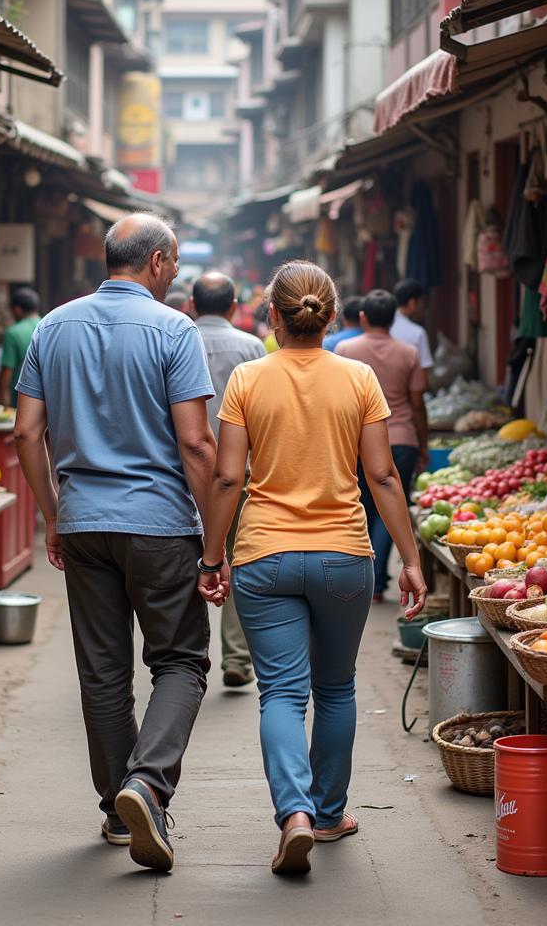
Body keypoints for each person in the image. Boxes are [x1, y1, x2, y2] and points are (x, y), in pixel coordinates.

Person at [195, 260, 427, 876]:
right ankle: (327, 815)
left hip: (264, 556)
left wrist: (211, 556)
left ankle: (293, 814)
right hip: (344, 556)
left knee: (281, 694)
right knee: (336, 688)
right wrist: (410, 558)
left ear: (272, 316)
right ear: (332, 315)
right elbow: (381, 475)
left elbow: (226, 476)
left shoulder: (247, 378)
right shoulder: (360, 379)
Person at [13, 213, 216, 874]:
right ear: (156, 262)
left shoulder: (53, 325)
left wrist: (51, 514)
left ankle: (115, 807)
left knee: (103, 671)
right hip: (160, 524)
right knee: (181, 660)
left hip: (83, 521)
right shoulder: (173, 329)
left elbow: (25, 433)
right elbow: (195, 442)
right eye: (176, 262)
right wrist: (216, 539)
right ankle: (148, 784)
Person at [191, 271, 265, 688]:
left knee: (192, 555)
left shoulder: (176, 337)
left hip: (183, 472)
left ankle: (192, 652)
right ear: (234, 307)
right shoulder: (251, 346)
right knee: (235, 557)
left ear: (193, 305)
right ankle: (236, 656)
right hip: (240, 470)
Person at [337, 290, 428, 601]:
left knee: (363, 506)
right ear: (393, 319)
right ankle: (376, 582)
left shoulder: (346, 348)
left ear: (363, 317)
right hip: (401, 437)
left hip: (356, 440)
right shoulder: (409, 353)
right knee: (389, 506)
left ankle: (365, 576)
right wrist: (423, 443)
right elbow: (417, 403)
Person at [0, 287, 42, 407]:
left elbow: (7, 370)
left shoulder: (13, 333)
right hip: (47, 398)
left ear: (17, 309)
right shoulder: (49, 328)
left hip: (20, 400)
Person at [390, 279, 433, 370]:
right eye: (422, 302)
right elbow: (424, 369)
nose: (423, 307)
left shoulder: (384, 325)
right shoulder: (417, 333)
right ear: (412, 303)